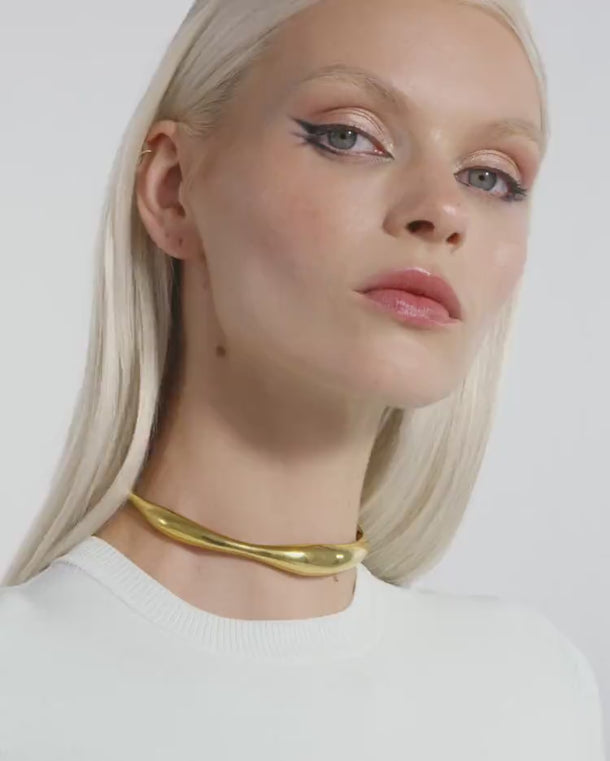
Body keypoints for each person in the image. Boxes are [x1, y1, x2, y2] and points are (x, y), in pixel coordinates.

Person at [0, 0, 605, 758]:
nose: (444, 210)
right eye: (349, 136)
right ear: (173, 186)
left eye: (490, 176)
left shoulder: (532, 694)